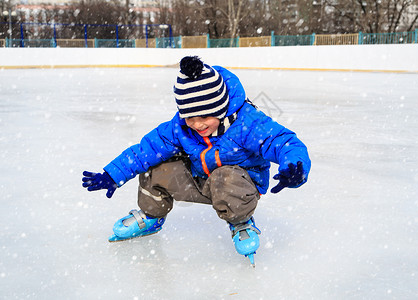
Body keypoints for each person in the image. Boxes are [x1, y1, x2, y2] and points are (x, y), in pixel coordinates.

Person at [82, 56, 311, 266]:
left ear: (220, 108)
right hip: (199, 180)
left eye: (205, 116)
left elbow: (283, 142)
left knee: (225, 177)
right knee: (155, 165)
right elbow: (147, 149)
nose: (197, 124)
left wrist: (294, 167)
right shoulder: (180, 127)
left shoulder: (248, 124)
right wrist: (114, 174)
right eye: (190, 117)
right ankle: (152, 215)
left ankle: (241, 221)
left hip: (237, 186)